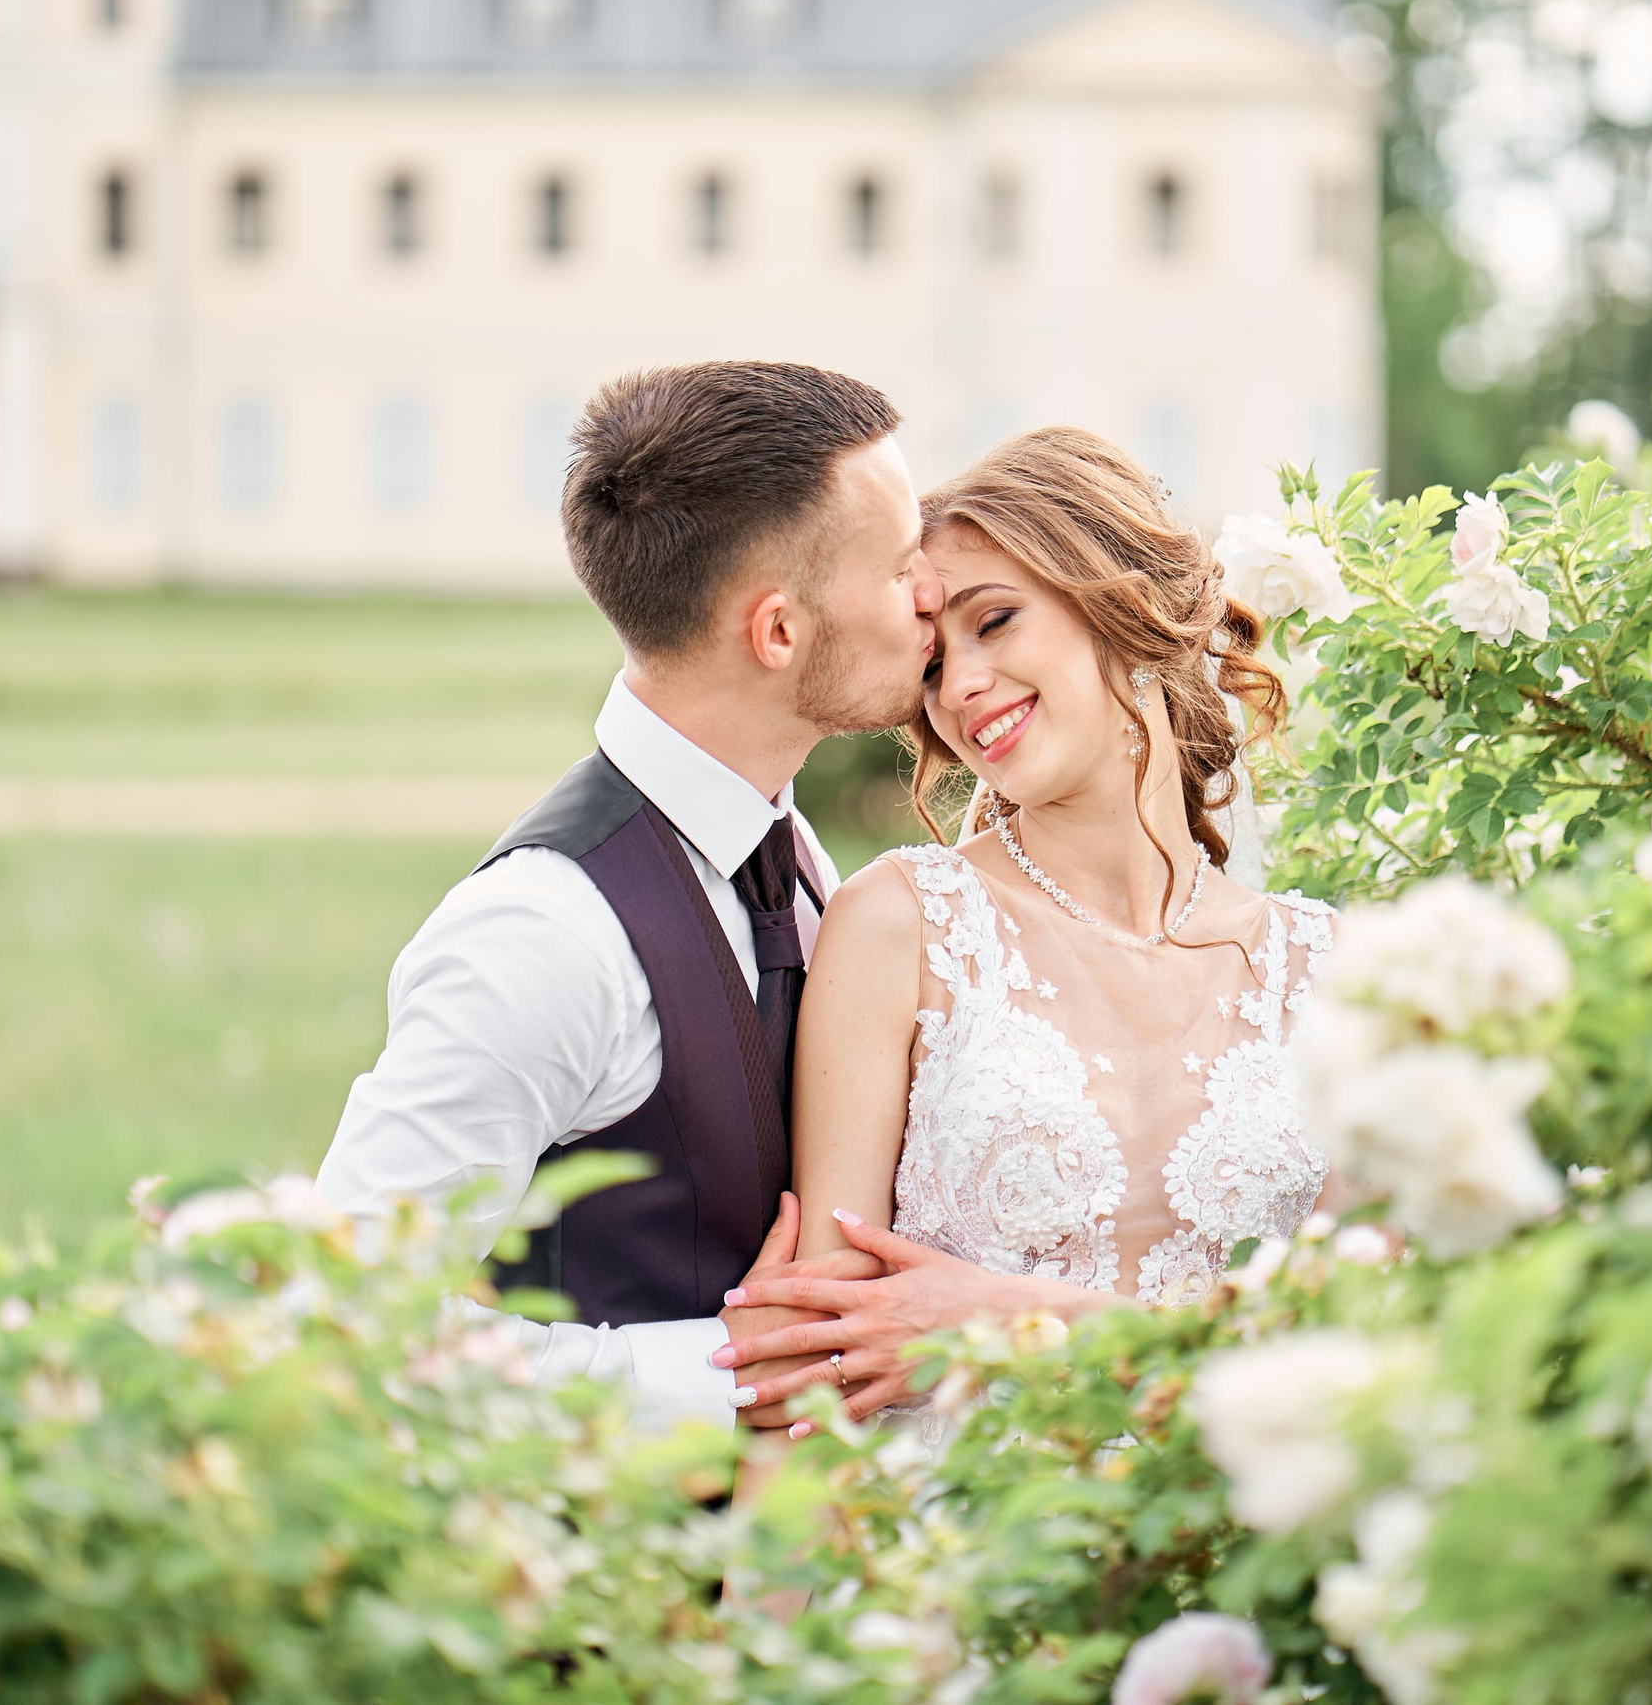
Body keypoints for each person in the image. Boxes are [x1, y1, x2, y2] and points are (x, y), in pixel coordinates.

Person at [317, 361, 946, 1432]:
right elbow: (336, 1324)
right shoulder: (544, 936)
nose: (935, 592)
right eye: (898, 569)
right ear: (778, 632)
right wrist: (716, 1375)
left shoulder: (791, 857)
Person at [712, 427, 1337, 1434]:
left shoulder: (1327, 975)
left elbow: (1376, 1356)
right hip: (961, 1558)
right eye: (931, 665)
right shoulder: (900, 928)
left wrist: (1013, 1319)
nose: (957, 689)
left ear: (1118, 601)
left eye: (993, 621)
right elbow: (813, 1369)